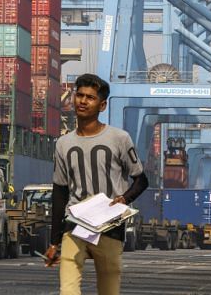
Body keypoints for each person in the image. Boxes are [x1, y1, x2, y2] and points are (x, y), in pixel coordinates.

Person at [44, 73, 149, 295]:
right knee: (68, 290)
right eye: (79, 95)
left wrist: (124, 198)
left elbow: (141, 180)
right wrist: (54, 242)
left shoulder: (119, 139)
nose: (82, 101)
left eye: (90, 97)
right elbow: (59, 193)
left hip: (109, 226)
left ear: (102, 105)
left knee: (109, 289)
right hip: (75, 225)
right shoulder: (63, 144)